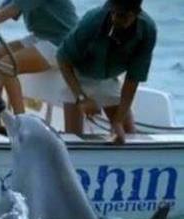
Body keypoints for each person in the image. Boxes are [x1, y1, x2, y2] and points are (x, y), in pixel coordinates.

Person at [57, 0, 157, 144]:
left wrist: (118, 121)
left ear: (135, 15)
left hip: (109, 77)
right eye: (113, 13)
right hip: (77, 74)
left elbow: (132, 80)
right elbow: (62, 59)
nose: (115, 19)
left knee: (128, 136)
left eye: (122, 16)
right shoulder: (93, 20)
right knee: (73, 140)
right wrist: (81, 98)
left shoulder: (147, 30)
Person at [0, 0, 78, 114]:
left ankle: (20, 121)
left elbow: (13, 9)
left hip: (62, 43)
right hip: (42, 36)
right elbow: (5, 6)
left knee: (4, 66)